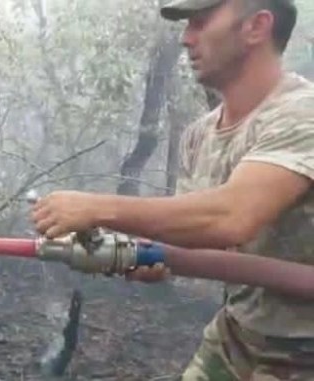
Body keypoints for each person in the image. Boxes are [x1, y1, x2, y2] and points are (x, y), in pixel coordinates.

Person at [30, 0, 314, 379]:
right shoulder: (199, 135)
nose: (186, 39)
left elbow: (232, 217)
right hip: (238, 335)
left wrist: (97, 207)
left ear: (257, 27)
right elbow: (200, 236)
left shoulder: (301, 115)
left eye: (199, 22)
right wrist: (131, 253)